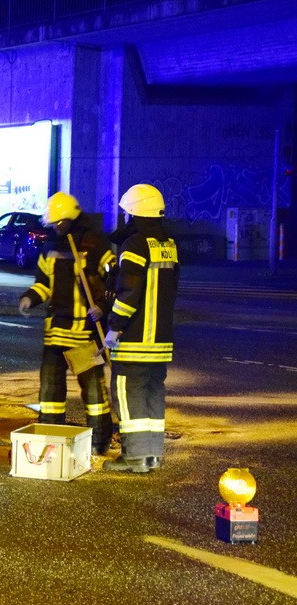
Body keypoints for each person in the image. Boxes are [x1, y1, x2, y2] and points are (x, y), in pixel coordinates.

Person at [18, 192, 117, 455]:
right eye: (52, 224)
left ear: (69, 219)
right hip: (57, 334)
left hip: (84, 334)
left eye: (58, 223)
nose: (54, 227)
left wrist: (103, 307)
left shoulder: (95, 244)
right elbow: (43, 284)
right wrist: (30, 298)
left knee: (94, 393)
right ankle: (51, 436)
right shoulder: (50, 247)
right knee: (50, 392)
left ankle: (99, 439)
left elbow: (114, 281)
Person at [102, 184, 179, 473]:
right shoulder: (169, 244)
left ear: (133, 212)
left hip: (135, 341)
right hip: (161, 343)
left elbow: (130, 292)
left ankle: (134, 457)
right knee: (152, 396)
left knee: (128, 394)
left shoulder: (134, 245)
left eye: (126, 213)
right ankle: (151, 456)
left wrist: (115, 328)